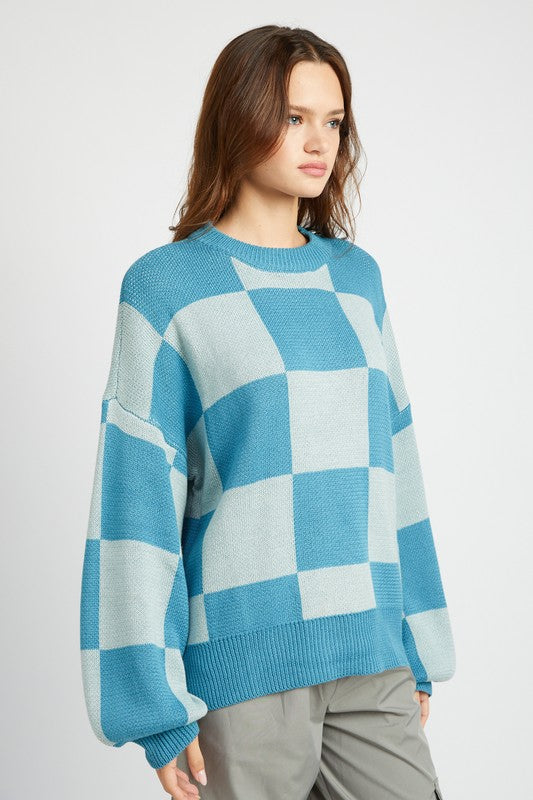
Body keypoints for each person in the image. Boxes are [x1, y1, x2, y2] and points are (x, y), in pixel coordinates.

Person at [79, 24, 455, 800]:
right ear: (238, 117)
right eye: (293, 117)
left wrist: (417, 644)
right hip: (242, 674)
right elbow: (136, 509)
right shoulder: (166, 288)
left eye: (333, 121)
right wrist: (155, 710)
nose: (319, 143)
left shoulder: (357, 280)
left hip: (371, 652)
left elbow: (395, 467)